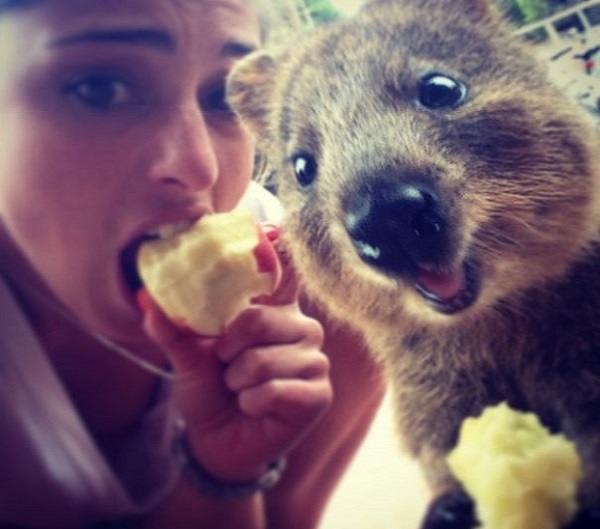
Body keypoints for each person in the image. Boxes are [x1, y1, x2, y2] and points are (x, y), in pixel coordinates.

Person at [0, 0, 385, 528]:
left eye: (224, 96)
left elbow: (289, 519)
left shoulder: (315, 295)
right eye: (100, 87)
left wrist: (227, 470)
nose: (197, 166)